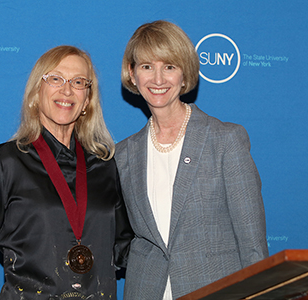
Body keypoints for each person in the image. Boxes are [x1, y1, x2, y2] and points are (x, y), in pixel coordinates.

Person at [0, 45, 133, 300]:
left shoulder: (105, 165)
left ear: (87, 100)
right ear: (36, 92)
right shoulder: (6, 162)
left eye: (78, 82)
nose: (66, 90)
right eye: (55, 79)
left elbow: (125, 249)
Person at [115, 20, 269, 299]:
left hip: (216, 290)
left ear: (184, 75)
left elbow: (252, 244)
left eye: (169, 67)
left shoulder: (225, 140)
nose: (158, 79)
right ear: (132, 74)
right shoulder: (123, 153)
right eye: (147, 66)